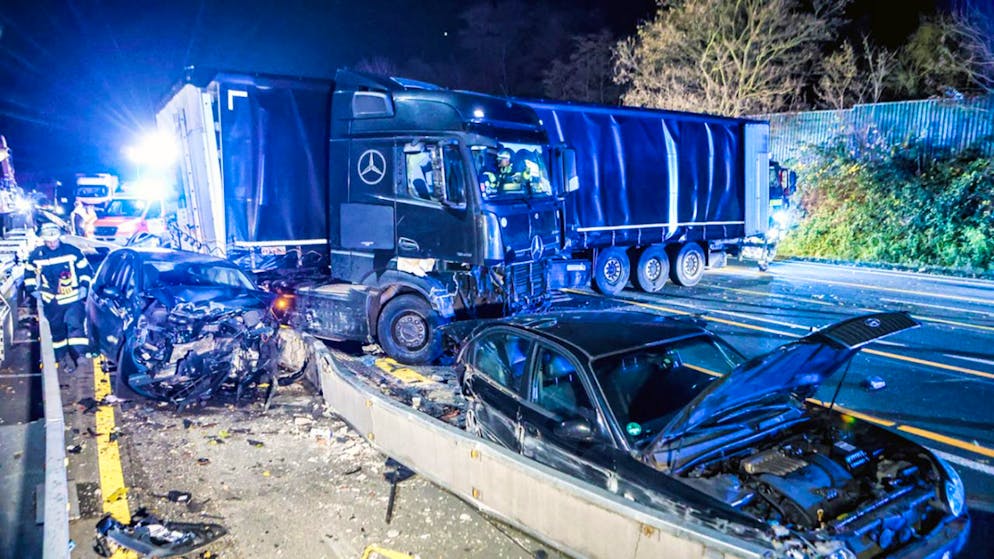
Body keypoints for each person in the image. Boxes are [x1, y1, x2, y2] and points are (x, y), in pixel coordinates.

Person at [24, 223, 94, 373]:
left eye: (54, 241)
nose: (51, 244)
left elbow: (86, 271)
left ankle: (80, 356)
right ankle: (60, 357)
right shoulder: (36, 255)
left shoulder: (72, 251)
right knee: (57, 332)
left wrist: (83, 286)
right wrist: (33, 290)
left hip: (72, 299)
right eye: (48, 241)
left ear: (59, 238)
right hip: (52, 302)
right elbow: (29, 275)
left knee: (75, 327)